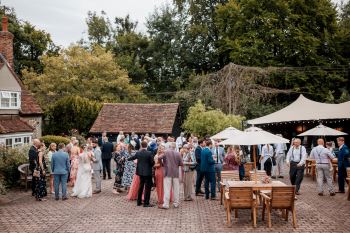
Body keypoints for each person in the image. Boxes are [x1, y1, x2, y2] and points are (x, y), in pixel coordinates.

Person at [127, 141, 154, 207]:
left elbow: (132, 158)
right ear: (147, 145)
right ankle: (146, 203)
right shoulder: (149, 153)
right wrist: (152, 164)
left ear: (141, 146)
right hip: (147, 173)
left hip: (140, 172)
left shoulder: (138, 153)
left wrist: (126, 159)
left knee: (140, 187)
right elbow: (152, 163)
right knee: (147, 188)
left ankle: (139, 202)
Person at [159, 142, 183, 209]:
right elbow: (181, 163)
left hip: (167, 172)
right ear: (175, 147)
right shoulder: (178, 153)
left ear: (169, 146)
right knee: (176, 189)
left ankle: (166, 204)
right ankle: (176, 204)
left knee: (167, 189)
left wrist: (162, 164)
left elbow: (159, 157)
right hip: (175, 173)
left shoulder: (166, 152)